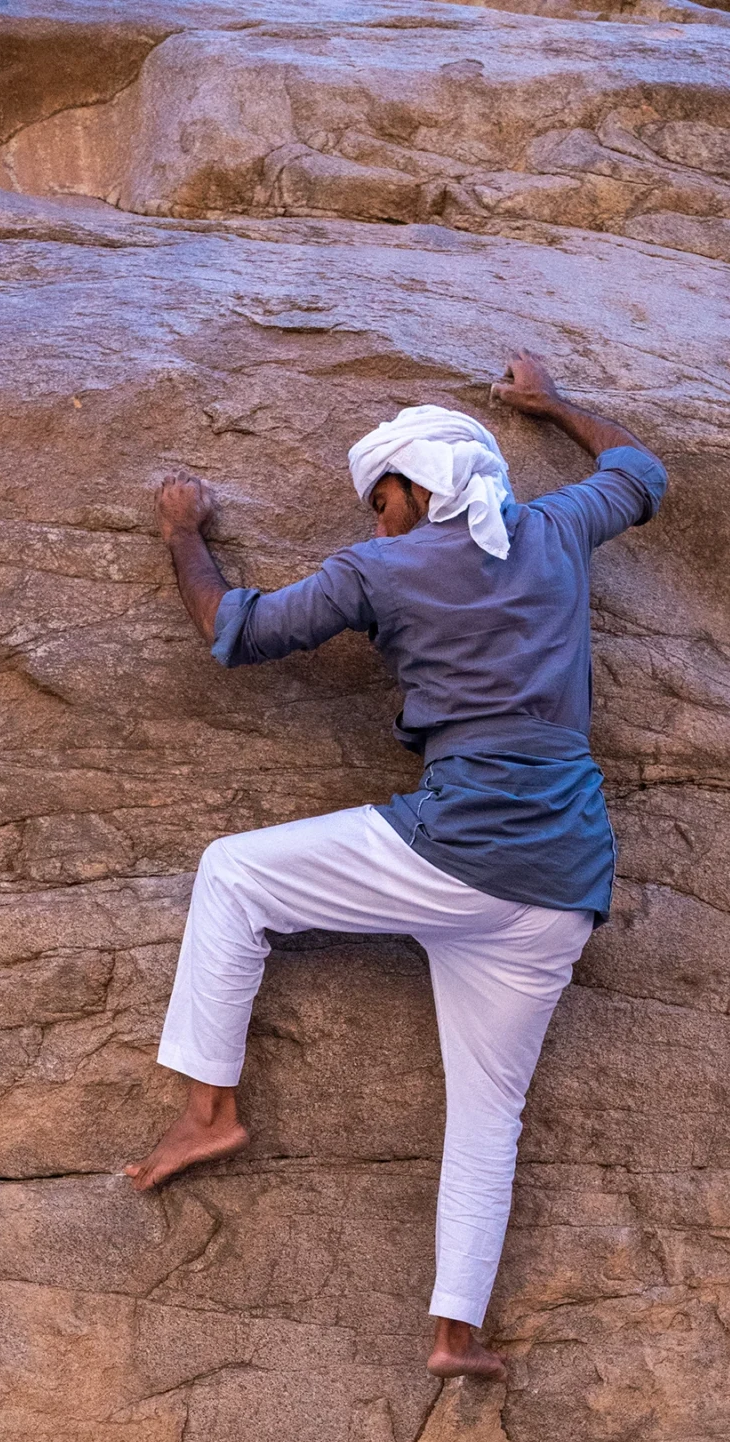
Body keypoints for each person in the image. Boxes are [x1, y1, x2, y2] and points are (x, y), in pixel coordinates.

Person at [128, 351, 667, 1380]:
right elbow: (643, 473)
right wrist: (551, 405)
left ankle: (209, 1113)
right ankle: (454, 1332)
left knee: (235, 874)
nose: (376, 521)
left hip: (463, 841)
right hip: (564, 880)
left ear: (419, 487)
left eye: (383, 500)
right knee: (488, 1112)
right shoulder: (555, 530)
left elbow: (233, 630)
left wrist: (183, 532)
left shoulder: (381, 569)